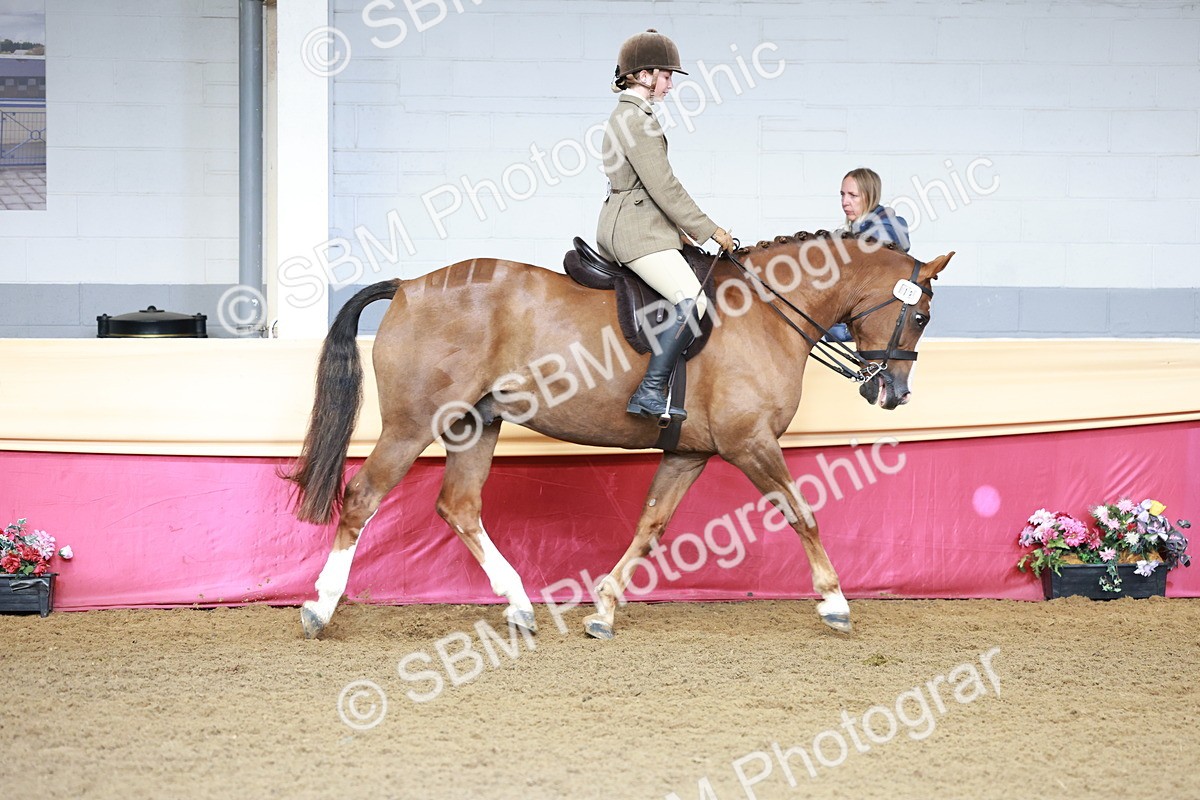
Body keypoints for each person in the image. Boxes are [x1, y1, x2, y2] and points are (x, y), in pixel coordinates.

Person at [596, 29, 735, 423]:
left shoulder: (631, 115)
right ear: (643, 75)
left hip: (638, 219)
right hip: (636, 229)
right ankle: (650, 390)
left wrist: (683, 230)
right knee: (694, 302)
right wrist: (711, 229)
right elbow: (663, 185)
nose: (671, 84)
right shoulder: (635, 120)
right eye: (666, 75)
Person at [826, 167, 912, 342]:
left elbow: (864, 290)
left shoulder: (880, 234)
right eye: (842, 195)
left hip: (864, 332)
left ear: (869, 196)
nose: (845, 202)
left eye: (853, 195)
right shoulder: (855, 231)